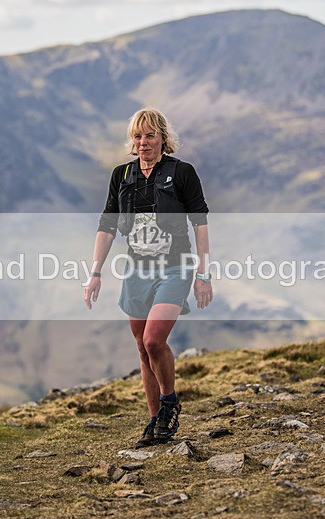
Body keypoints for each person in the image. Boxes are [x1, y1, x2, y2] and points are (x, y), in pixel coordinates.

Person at [83, 108, 212, 447]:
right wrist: (94, 272)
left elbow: (200, 223)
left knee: (154, 340)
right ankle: (155, 421)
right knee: (142, 348)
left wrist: (203, 273)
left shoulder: (182, 173)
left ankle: (170, 402)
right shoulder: (122, 175)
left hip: (175, 268)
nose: (143, 142)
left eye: (150, 135)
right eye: (138, 136)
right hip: (137, 270)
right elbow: (107, 226)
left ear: (163, 139)